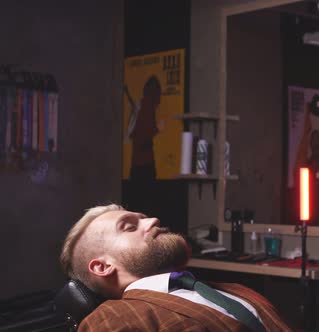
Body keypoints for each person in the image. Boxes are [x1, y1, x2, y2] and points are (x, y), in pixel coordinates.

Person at [60, 204, 292, 331]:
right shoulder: (110, 321)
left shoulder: (234, 290)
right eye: (129, 227)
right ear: (102, 266)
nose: (153, 221)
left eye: (144, 217)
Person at [126, 75, 161, 181]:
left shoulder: (142, 105)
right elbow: (142, 137)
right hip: (144, 164)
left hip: (138, 163)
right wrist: (157, 128)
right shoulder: (148, 106)